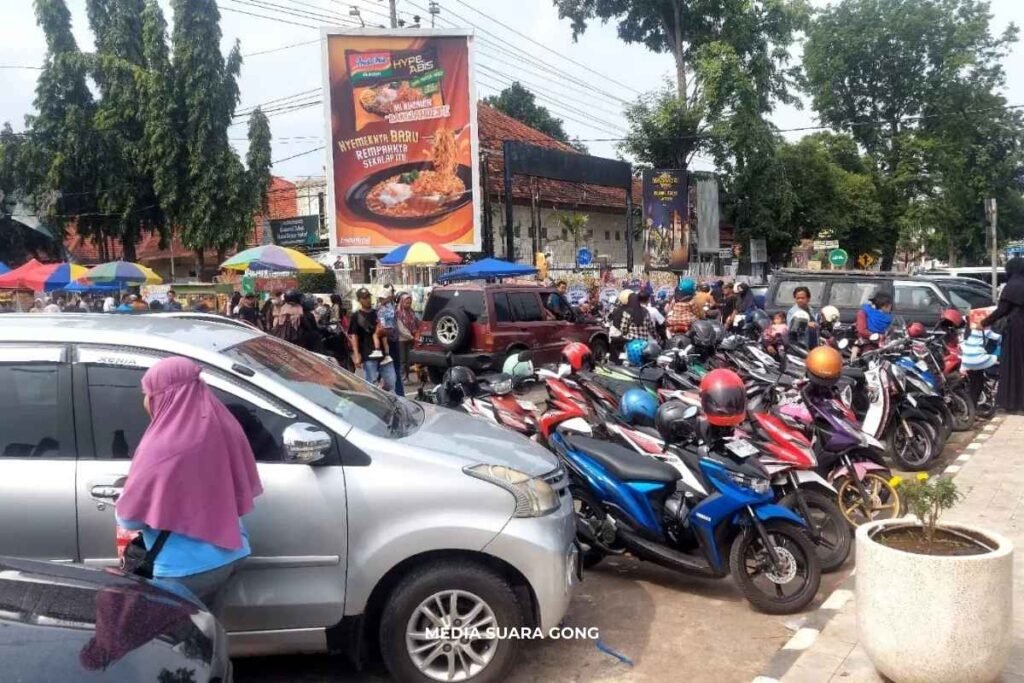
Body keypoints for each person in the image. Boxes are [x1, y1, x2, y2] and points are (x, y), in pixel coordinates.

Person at [115, 357, 262, 616]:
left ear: (167, 396)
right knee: (207, 634)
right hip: (232, 552)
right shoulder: (223, 424)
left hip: (185, 569)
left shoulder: (160, 447)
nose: (145, 401)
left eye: (149, 394)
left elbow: (129, 520)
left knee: (170, 645)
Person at [981, 256, 1024, 411]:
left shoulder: (1011, 287)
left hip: (1016, 330)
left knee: (1013, 365)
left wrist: (984, 322)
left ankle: (1013, 403)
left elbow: (1002, 310)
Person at [349, 288, 397, 392]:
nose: (367, 300)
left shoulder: (379, 313)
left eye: (368, 297)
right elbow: (354, 336)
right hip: (368, 355)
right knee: (372, 384)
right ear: (359, 300)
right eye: (364, 298)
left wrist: (383, 332)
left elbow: (389, 330)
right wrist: (357, 355)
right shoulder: (356, 316)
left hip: (384, 354)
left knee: (391, 382)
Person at [395, 292, 420, 381]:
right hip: (402, 339)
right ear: (401, 302)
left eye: (410, 302)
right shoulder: (398, 313)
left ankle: (407, 377)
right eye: (406, 303)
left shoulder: (411, 312)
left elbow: (417, 323)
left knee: (409, 360)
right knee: (402, 360)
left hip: (411, 339)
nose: (408, 304)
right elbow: (401, 329)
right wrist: (411, 337)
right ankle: (403, 378)